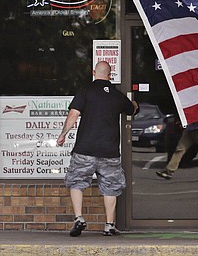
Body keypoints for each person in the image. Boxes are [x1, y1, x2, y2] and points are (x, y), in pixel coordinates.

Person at [56, 60, 138, 237]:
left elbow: (74, 114)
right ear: (110, 75)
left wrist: (63, 134)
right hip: (109, 151)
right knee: (110, 187)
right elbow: (132, 109)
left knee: (76, 182)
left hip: (85, 149)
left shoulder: (86, 91)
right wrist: (135, 105)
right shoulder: (117, 95)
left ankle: (79, 218)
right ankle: (109, 225)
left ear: (94, 73)